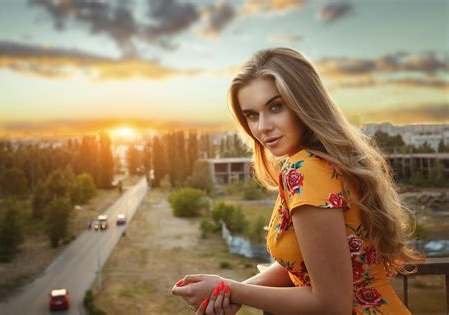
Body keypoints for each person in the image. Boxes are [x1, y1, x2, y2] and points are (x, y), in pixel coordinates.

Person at [171, 47, 424, 314]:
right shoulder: (327, 161)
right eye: (252, 115)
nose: (262, 126)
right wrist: (232, 291)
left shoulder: (305, 170)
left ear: (304, 102)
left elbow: (330, 305)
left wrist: (231, 289)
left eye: (275, 107)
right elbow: (304, 260)